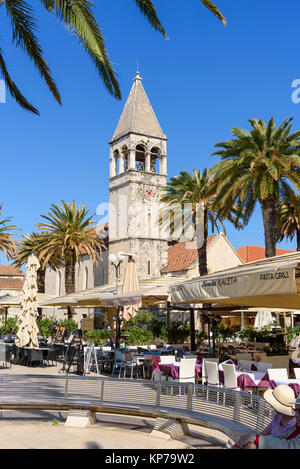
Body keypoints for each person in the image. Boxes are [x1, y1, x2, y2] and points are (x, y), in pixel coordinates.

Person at [233, 385, 300, 449]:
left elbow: (285, 444)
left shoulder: (294, 424)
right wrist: (252, 440)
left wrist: (254, 440)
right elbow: (270, 433)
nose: (296, 414)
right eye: (296, 410)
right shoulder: (280, 418)